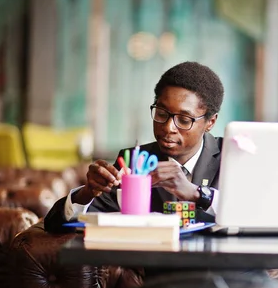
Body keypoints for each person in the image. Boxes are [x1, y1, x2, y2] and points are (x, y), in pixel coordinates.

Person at [44, 61, 224, 233]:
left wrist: (198, 194)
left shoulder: (229, 157)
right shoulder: (135, 160)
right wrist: (86, 193)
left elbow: (249, 213)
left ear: (210, 122)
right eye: (161, 114)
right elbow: (54, 224)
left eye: (184, 120)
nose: (168, 127)